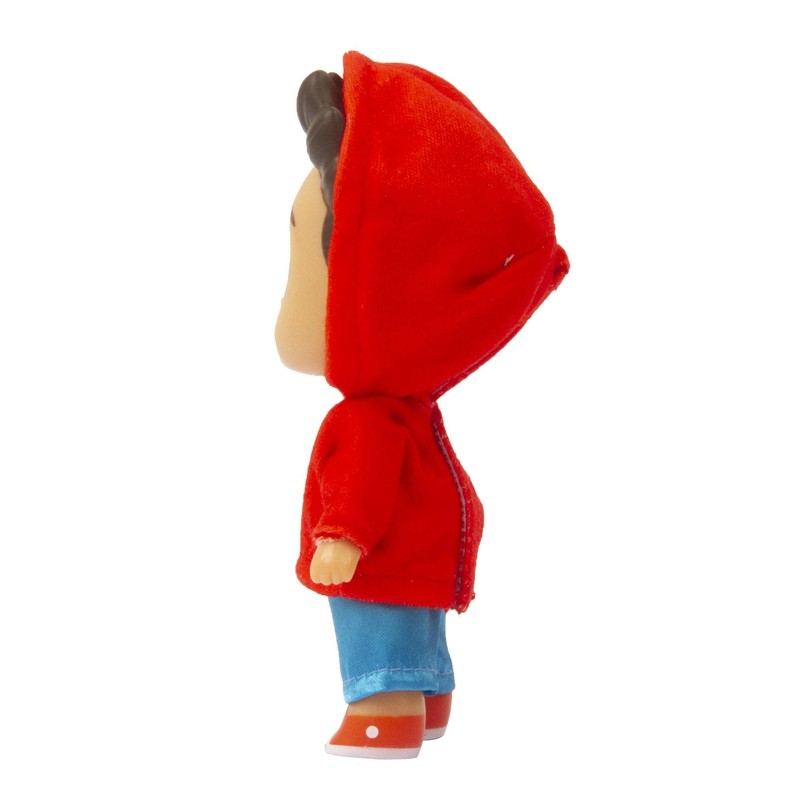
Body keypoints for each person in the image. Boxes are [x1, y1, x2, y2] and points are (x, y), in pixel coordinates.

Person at [275, 51, 569, 759]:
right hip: (419, 565)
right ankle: (430, 698)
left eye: (302, 259)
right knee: (418, 632)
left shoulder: (368, 419)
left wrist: (343, 536)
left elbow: (364, 482)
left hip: (375, 564)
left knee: (375, 636)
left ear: (373, 292)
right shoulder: (412, 411)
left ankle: (382, 713)